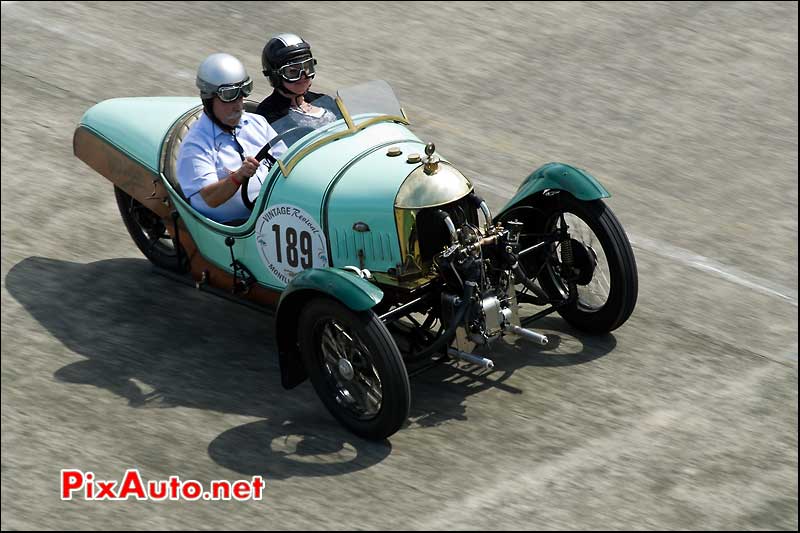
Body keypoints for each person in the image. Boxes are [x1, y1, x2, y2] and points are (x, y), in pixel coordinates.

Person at [177, 53, 285, 224]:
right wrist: (238, 176)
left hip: (272, 215)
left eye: (242, 94)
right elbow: (210, 198)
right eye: (229, 97)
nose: (238, 105)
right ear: (208, 98)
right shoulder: (196, 144)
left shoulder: (258, 123)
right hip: (234, 228)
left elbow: (287, 164)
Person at [256, 33, 338, 132]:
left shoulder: (324, 100)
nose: (303, 76)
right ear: (275, 76)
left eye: (307, 67)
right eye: (293, 71)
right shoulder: (266, 115)